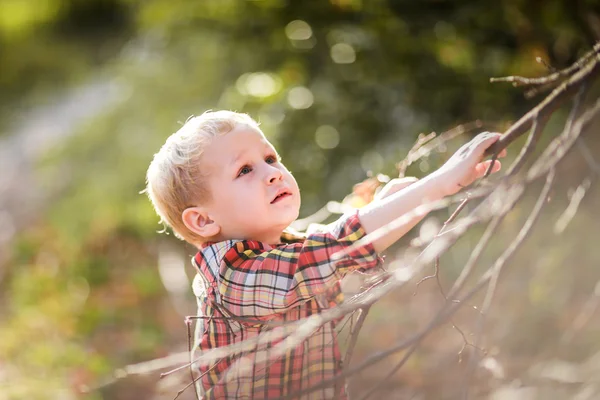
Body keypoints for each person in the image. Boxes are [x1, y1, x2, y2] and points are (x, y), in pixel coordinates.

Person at [145, 110, 504, 399]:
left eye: (270, 158)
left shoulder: (284, 246)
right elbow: (337, 248)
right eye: (245, 170)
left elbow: (332, 241)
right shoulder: (232, 278)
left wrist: (392, 204)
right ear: (204, 220)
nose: (272, 174)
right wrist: (439, 183)